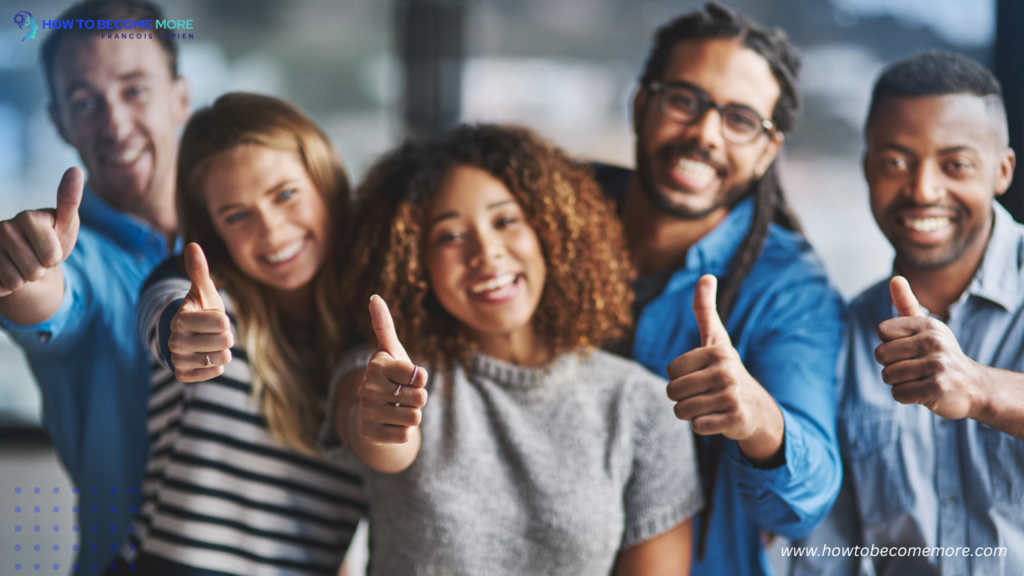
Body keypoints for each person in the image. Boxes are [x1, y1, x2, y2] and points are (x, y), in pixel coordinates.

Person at [326, 124, 703, 575]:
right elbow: (380, 438)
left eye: (506, 221)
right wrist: (382, 420)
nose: (486, 252)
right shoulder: (387, 376)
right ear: (414, 262)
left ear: (550, 234)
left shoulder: (641, 407)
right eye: (449, 236)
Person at [592, 3, 845, 575]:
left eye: (739, 120)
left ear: (765, 152)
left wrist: (757, 417)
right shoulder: (555, 210)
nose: (705, 134)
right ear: (640, 104)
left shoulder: (791, 288)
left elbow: (806, 502)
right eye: (684, 100)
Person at [792, 51, 1023, 576]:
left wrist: (983, 390)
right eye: (896, 162)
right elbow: (829, 551)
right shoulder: (846, 336)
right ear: (867, 170)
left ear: (1002, 170)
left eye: (955, 164)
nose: (922, 190)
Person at [119, 93, 365, 575]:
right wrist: (185, 336)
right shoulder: (200, 296)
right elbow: (165, 315)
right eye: (236, 215)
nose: (271, 230)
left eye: (285, 194)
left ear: (326, 182)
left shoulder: (370, 340)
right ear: (213, 233)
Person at [0, 0, 187, 571]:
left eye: (134, 90)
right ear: (59, 121)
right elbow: (53, 301)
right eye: (85, 101)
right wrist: (23, 273)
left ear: (180, 97)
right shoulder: (79, 262)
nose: (114, 122)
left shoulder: (251, 244)